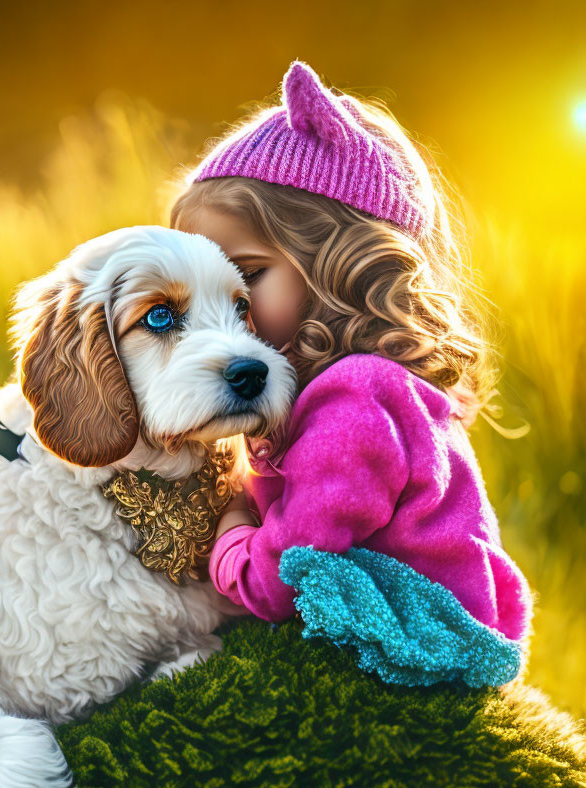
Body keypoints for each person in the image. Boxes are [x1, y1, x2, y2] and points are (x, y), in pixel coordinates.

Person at [168, 60, 531, 644]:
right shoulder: (349, 385)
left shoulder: (354, 404)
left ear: (336, 263)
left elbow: (279, 582)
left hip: (413, 648)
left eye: (246, 276)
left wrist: (231, 529)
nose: (219, 315)